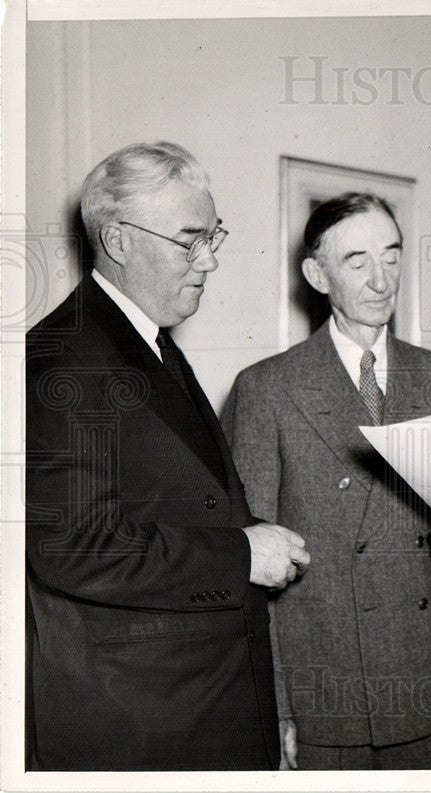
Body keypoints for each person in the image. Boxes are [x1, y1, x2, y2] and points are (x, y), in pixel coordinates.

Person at [25, 141, 310, 771]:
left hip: (199, 705)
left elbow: (171, 496)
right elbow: (73, 546)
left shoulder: (147, 339)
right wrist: (242, 553)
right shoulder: (62, 359)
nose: (209, 260)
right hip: (141, 725)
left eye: (214, 237)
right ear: (120, 241)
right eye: (190, 240)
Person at [222, 193, 431, 771]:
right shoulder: (267, 388)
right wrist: (278, 705)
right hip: (325, 682)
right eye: (357, 261)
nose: (380, 279)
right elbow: (250, 564)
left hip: (421, 672)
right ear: (317, 275)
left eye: (391, 257)